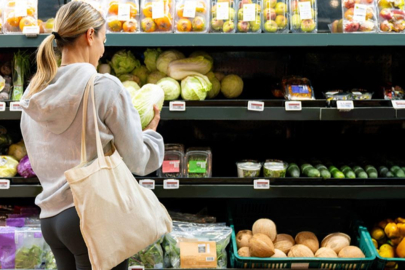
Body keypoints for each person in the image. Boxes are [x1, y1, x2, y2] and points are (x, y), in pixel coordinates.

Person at [20, 2, 164, 269]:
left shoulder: (33, 96)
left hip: (51, 219)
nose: (103, 49)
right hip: (90, 214)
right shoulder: (103, 86)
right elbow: (139, 161)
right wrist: (151, 135)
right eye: (103, 39)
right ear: (89, 35)